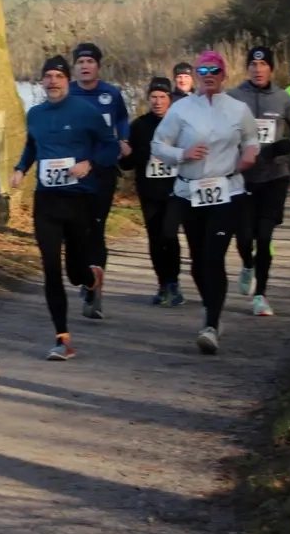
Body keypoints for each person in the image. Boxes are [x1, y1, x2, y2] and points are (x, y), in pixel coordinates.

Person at [10, 56, 117, 360]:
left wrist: (90, 163)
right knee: (51, 270)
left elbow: (110, 145)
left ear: (67, 80)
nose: (53, 81)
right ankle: (62, 340)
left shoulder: (86, 112)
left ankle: (91, 278)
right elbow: (32, 145)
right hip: (46, 201)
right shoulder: (35, 114)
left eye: (58, 76)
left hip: (79, 199)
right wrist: (21, 169)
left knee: (74, 271)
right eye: (48, 76)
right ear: (41, 81)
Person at [151, 52, 258, 354]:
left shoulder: (238, 109)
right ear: (196, 75)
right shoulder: (181, 109)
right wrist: (183, 155)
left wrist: (250, 153)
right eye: (203, 70)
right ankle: (212, 308)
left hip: (227, 190)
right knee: (198, 262)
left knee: (214, 257)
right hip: (190, 193)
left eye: (215, 70)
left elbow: (251, 138)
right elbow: (158, 145)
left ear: (224, 75)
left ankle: (211, 324)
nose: (209, 75)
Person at [227, 46, 290, 318]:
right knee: (244, 238)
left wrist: (283, 146)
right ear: (247, 68)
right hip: (243, 178)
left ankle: (260, 296)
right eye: (253, 65)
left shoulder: (283, 98)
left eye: (263, 66)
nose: (258, 70)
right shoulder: (234, 97)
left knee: (264, 237)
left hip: (274, 176)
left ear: (271, 69)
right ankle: (247, 264)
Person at [68, 42, 130, 319]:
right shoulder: (66, 93)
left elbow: (123, 120)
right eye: (80, 62)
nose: (84, 66)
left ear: (97, 66)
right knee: (76, 230)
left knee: (96, 228)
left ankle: (95, 290)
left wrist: (125, 140)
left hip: (103, 170)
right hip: (73, 173)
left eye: (89, 62)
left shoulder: (111, 94)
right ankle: (84, 273)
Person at [118, 77, 184, 307]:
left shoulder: (180, 124)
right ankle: (162, 284)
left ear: (170, 99)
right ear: (148, 99)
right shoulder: (139, 126)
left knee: (169, 234)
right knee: (155, 239)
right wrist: (124, 154)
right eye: (153, 97)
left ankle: (174, 281)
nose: (157, 101)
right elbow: (128, 166)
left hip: (175, 191)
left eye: (162, 97)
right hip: (149, 192)